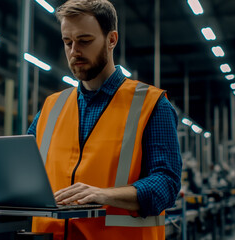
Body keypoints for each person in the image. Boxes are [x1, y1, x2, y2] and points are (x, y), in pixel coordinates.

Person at [27, 0, 182, 239]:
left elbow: (167, 184)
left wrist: (105, 195)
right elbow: (23, 170)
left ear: (111, 40)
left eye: (84, 41)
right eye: (67, 42)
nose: (73, 51)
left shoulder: (151, 104)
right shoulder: (51, 107)